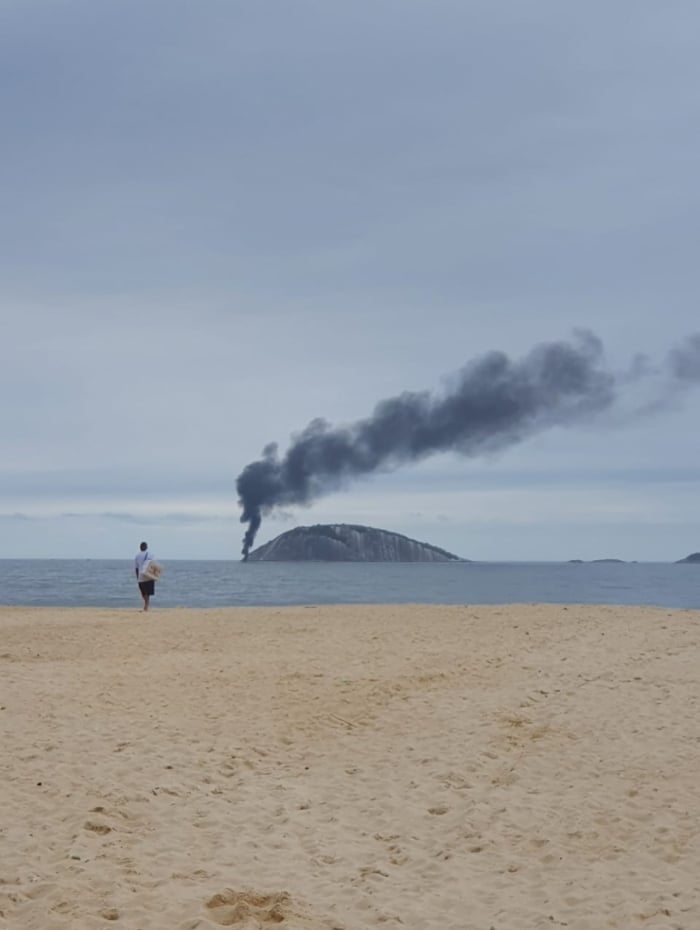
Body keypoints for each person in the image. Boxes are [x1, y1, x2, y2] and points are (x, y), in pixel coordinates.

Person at [134, 541, 155, 611]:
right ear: (146, 547)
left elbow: (136, 568)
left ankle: (146, 605)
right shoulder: (150, 555)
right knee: (148, 592)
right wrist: (154, 575)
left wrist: (137, 577)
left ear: (140, 548)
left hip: (141, 576)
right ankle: (146, 605)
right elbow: (153, 566)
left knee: (143, 592)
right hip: (148, 575)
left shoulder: (137, 556)